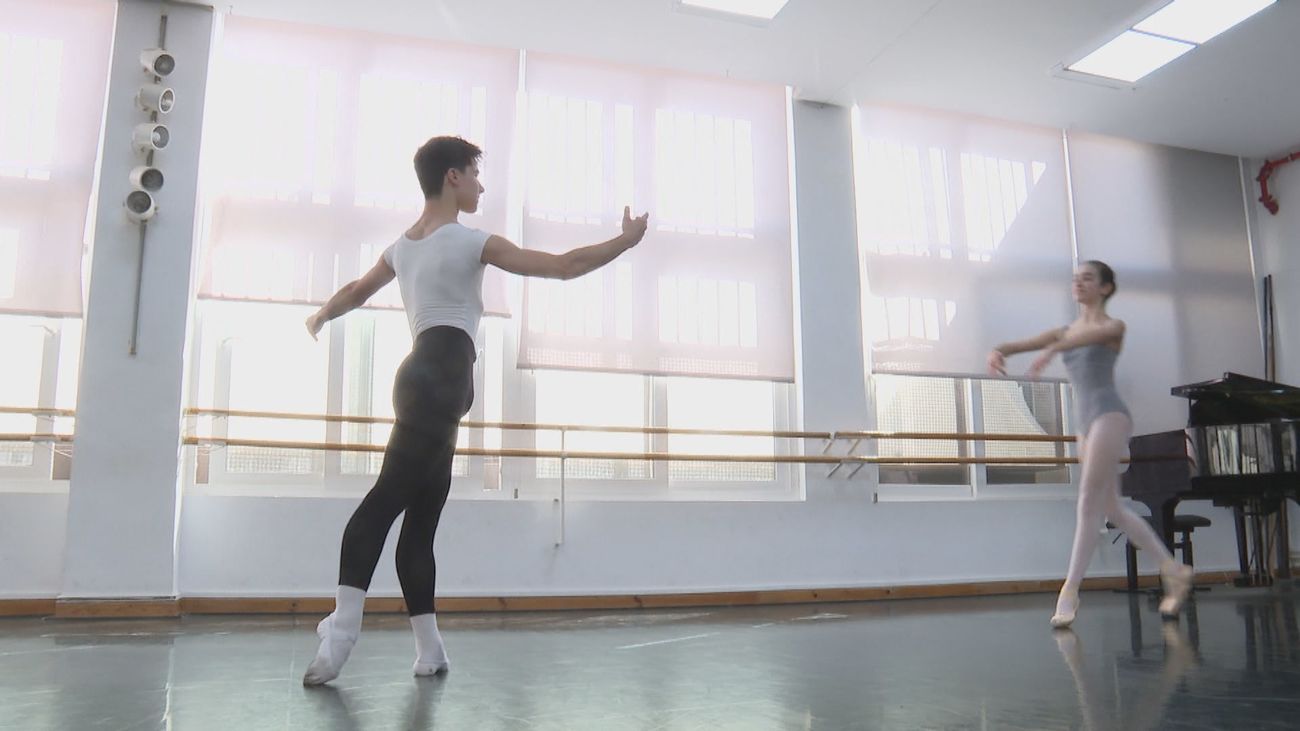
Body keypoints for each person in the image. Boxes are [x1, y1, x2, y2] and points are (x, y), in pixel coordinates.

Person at [300, 135, 649, 685]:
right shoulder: (469, 241)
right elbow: (563, 266)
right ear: (453, 177)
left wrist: (322, 313)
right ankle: (342, 630)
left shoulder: (400, 248)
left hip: (429, 382)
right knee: (383, 504)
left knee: (420, 527)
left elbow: (356, 291)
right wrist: (625, 242)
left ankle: (430, 650)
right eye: (475, 175)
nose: (481, 187)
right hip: (439, 380)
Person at [987, 260, 1192, 629]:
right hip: (1085, 423)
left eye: (1087, 278)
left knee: (1086, 500)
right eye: (1075, 279)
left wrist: (1054, 349)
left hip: (1109, 415)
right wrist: (999, 350)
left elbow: (1083, 340)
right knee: (1112, 508)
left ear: (1105, 288)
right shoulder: (1065, 330)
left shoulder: (1113, 327)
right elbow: (1020, 344)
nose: (1078, 283)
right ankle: (1173, 569)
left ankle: (1069, 591)